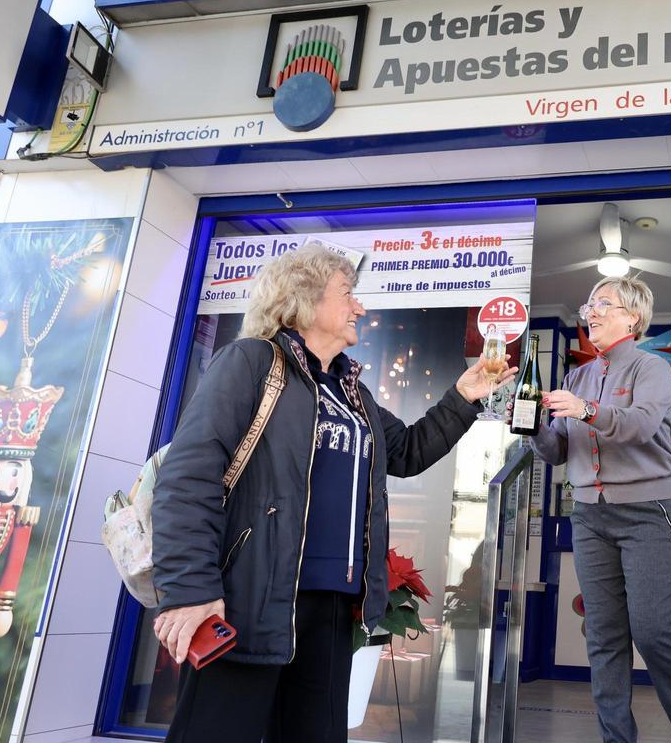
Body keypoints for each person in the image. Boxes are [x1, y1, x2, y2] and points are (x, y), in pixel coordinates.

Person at [150, 244, 515, 742]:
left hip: (332, 605)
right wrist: (191, 590)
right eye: (347, 294)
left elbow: (406, 451)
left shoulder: (352, 393)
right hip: (251, 598)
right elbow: (188, 479)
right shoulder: (252, 363)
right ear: (303, 299)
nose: (359, 307)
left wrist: (463, 398)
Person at [529, 275, 671, 743]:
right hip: (590, 516)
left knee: (653, 632)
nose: (591, 311)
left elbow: (638, 426)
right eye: (589, 304)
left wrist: (585, 410)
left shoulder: (650, 368)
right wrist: (530, 425)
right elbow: (556, 452)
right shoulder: (577, 376)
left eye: (603, 304)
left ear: (632, 316)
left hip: (654, 512)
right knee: (604, 636)